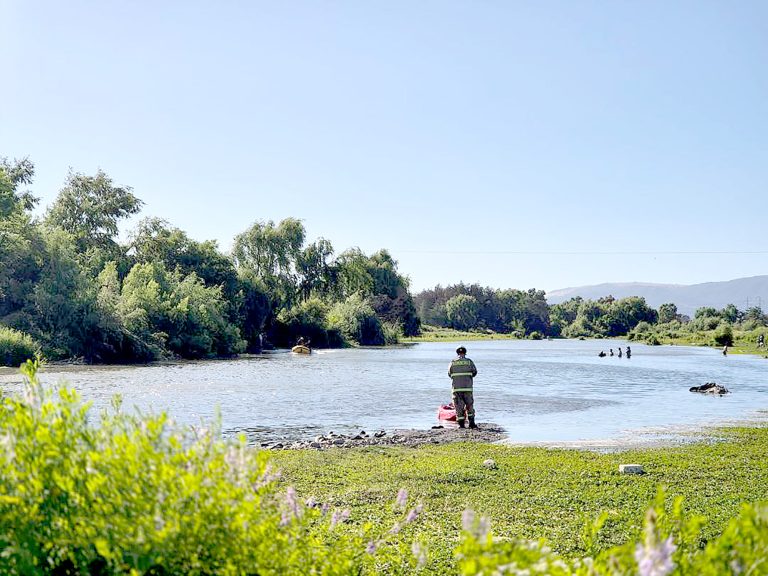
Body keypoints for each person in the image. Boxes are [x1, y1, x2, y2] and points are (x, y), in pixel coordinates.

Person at [448, 346, 478, 429]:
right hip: (468, 388)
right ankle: (472, 424)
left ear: (457, 353)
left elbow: (449, 374)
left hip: (457, 389)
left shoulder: (453, 362)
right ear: (465, 353)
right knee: (470, 406)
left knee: (459, 407)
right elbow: (474, 373)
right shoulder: (469, 362)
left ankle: (461, 425)